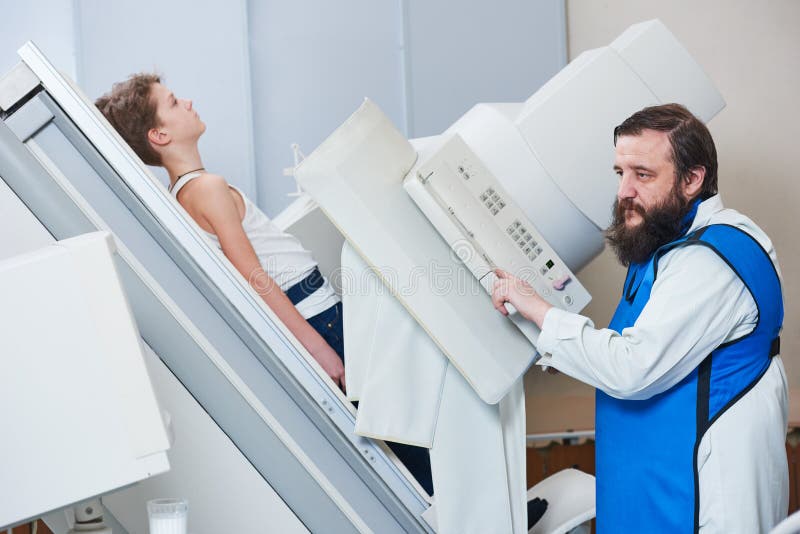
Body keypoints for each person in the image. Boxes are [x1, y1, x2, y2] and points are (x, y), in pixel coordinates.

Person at [95, 73, 433, 494]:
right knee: (404, 426)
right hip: (319, 320)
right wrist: (319, 349)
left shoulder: (184, 193)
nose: (188, 101)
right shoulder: (208, 188)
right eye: (174, 102)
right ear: (159, 134)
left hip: (317, 315)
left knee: (397, 431)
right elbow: (254, 278)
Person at [491, 103, 787, 533]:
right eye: (620, 173)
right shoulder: (665, 247)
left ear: (692, 179)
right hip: (654, 489)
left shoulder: (715, 259)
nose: (624, 190)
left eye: (642, 175)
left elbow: (633, 366)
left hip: (704, 501)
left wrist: (540, 310)